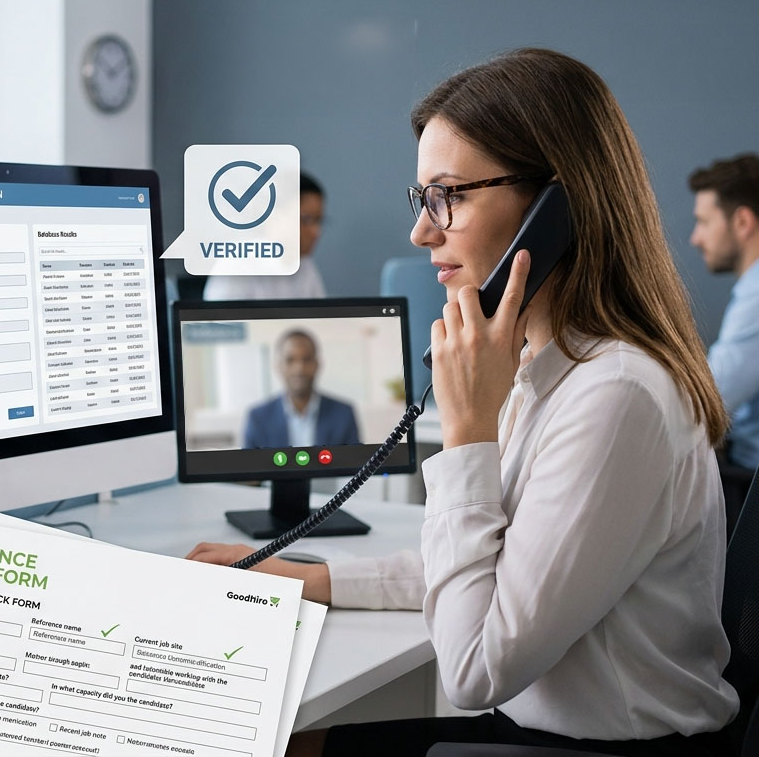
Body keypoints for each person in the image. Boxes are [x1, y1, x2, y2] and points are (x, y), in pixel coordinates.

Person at [188, 48, 739, 756]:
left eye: (447, 194)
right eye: (420, 199)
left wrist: (469, 428)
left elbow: (476, 670)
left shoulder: (615, 396)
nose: (422, 231)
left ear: (556, 211)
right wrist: (298, 577)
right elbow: (501, 559)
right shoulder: (547, 364)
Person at [688, 155, 759, 530]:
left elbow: (708, 400)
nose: (695, 238)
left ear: (742, 222)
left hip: (747, 486)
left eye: (703, 221)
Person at [202, 172, 328, 300]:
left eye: (318, 221)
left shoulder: (305, 265)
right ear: (272, 215)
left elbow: (323, 318)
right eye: (307, 219)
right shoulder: (236, 267)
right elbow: (219, 319)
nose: (316, 232)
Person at [242, 329, 359, 449]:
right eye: (290, 360)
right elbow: (249, 466)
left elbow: (357, 465)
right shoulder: (258, 418)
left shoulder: (343, 414)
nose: (299, 368)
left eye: (306, 359)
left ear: (317, 364)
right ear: (278, 366)